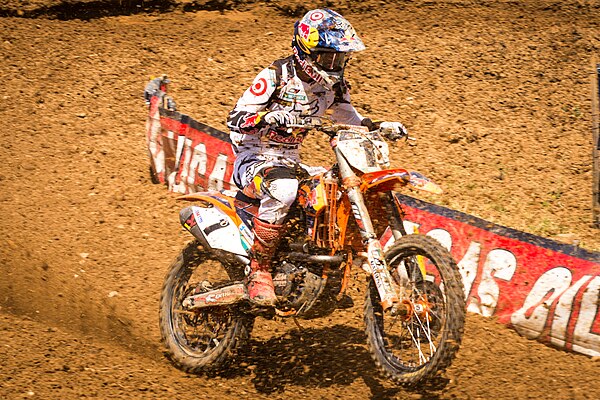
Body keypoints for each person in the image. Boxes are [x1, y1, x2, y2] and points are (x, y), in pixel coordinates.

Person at [227, 9, 408, 306]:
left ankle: (318, 267)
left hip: (290, 159)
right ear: (307, 52)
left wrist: (378, 127)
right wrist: (269, 117)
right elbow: (235, 118)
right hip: (254, 156)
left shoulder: (333, 85)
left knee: (331, 191)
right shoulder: (277, 75)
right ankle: (258, 271)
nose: (335, 65)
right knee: (284, 189)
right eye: (329, 58)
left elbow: (350, 118)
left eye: (339, 59)